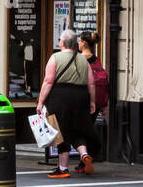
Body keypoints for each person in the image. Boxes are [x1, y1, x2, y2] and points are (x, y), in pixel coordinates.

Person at [36, 29, 97, 178]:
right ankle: (84, 154)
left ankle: (62, 168)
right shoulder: (84, 59)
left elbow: (48, 81)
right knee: (78, 128)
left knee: (61, 130)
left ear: (62, 43)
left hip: (60, 96)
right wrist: (93, 101)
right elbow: (92, 83)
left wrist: (41, 102)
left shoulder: (55, 57)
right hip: (81, 96)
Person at [74, 31, 108, 171]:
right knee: (88, 129)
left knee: (78, 131)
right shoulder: (96, 59)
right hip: (96, 102)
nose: (78, 43)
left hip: (82, 99)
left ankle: (84, 157)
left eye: (80, 41)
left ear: (84, 43)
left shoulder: (79, 59)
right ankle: (86, 159)